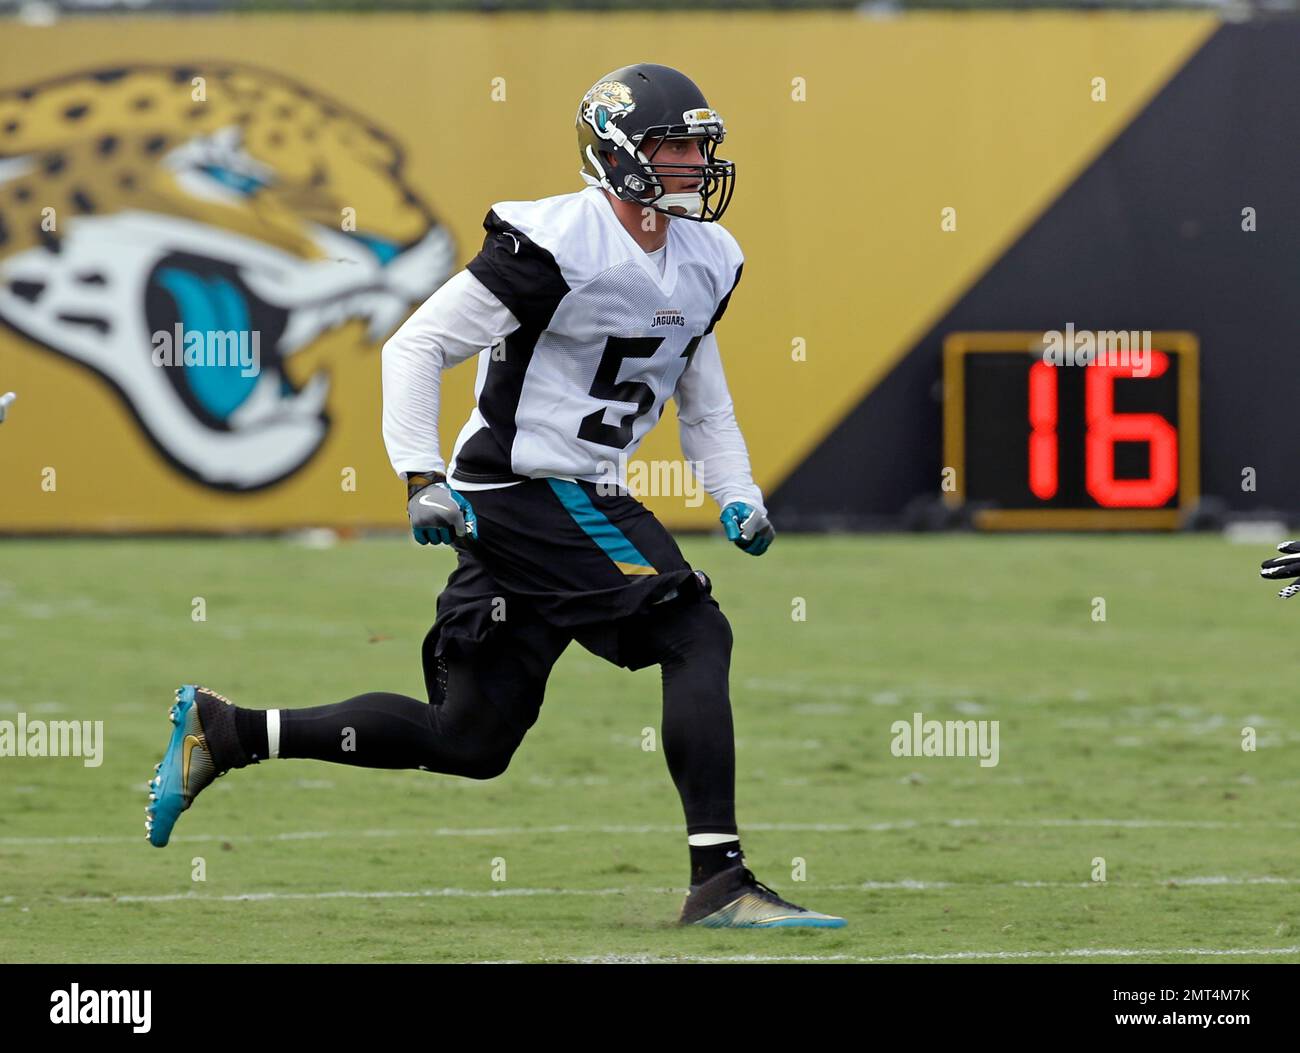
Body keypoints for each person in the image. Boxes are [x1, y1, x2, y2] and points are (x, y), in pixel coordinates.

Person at [145, 62, 845, 929]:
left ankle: (232, 730)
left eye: (700, 148)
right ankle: (721, 881)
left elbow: (703, 397)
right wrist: (420, 476)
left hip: (558, 499)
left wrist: (736, 490)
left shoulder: (708, 258)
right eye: (673, 146)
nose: (694, 165)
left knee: (471, 739)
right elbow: (416, 347)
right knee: (694, 630)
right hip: (528, 489)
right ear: (619, 153)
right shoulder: (555, 241)